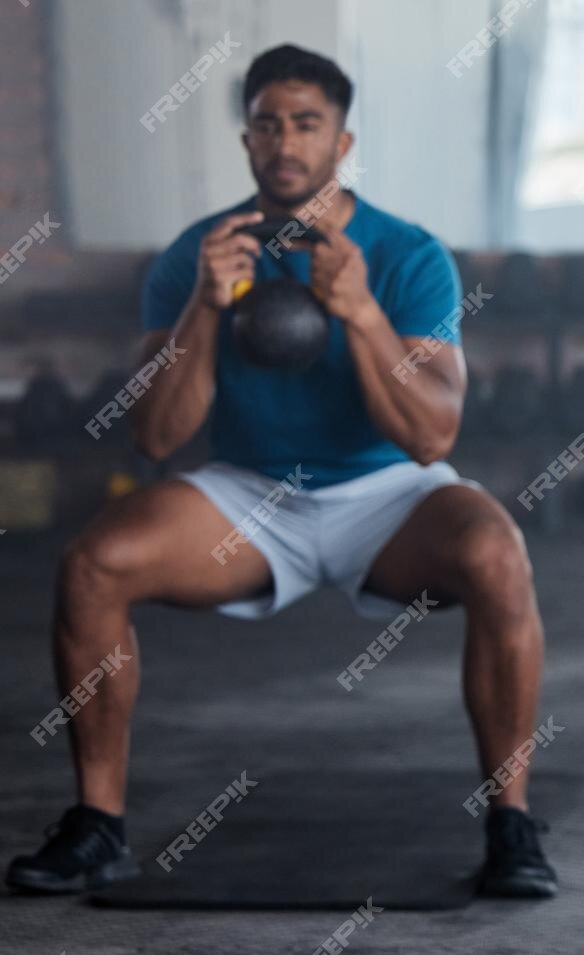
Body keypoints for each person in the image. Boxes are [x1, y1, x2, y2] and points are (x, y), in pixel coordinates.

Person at [7, 45, 556, 899]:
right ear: (246, 139)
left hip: (387, 494)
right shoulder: (200, 253)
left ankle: (512, 822)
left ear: (342, 142)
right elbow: (153, 436)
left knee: (496, 554)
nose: (285, 142)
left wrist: (362, 311)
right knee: (93, 564)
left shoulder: (408, 254)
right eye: (268, 124)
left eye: (307, 124)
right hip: (251, 493)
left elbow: (431, 439)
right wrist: (202, 304)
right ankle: (98, 826)